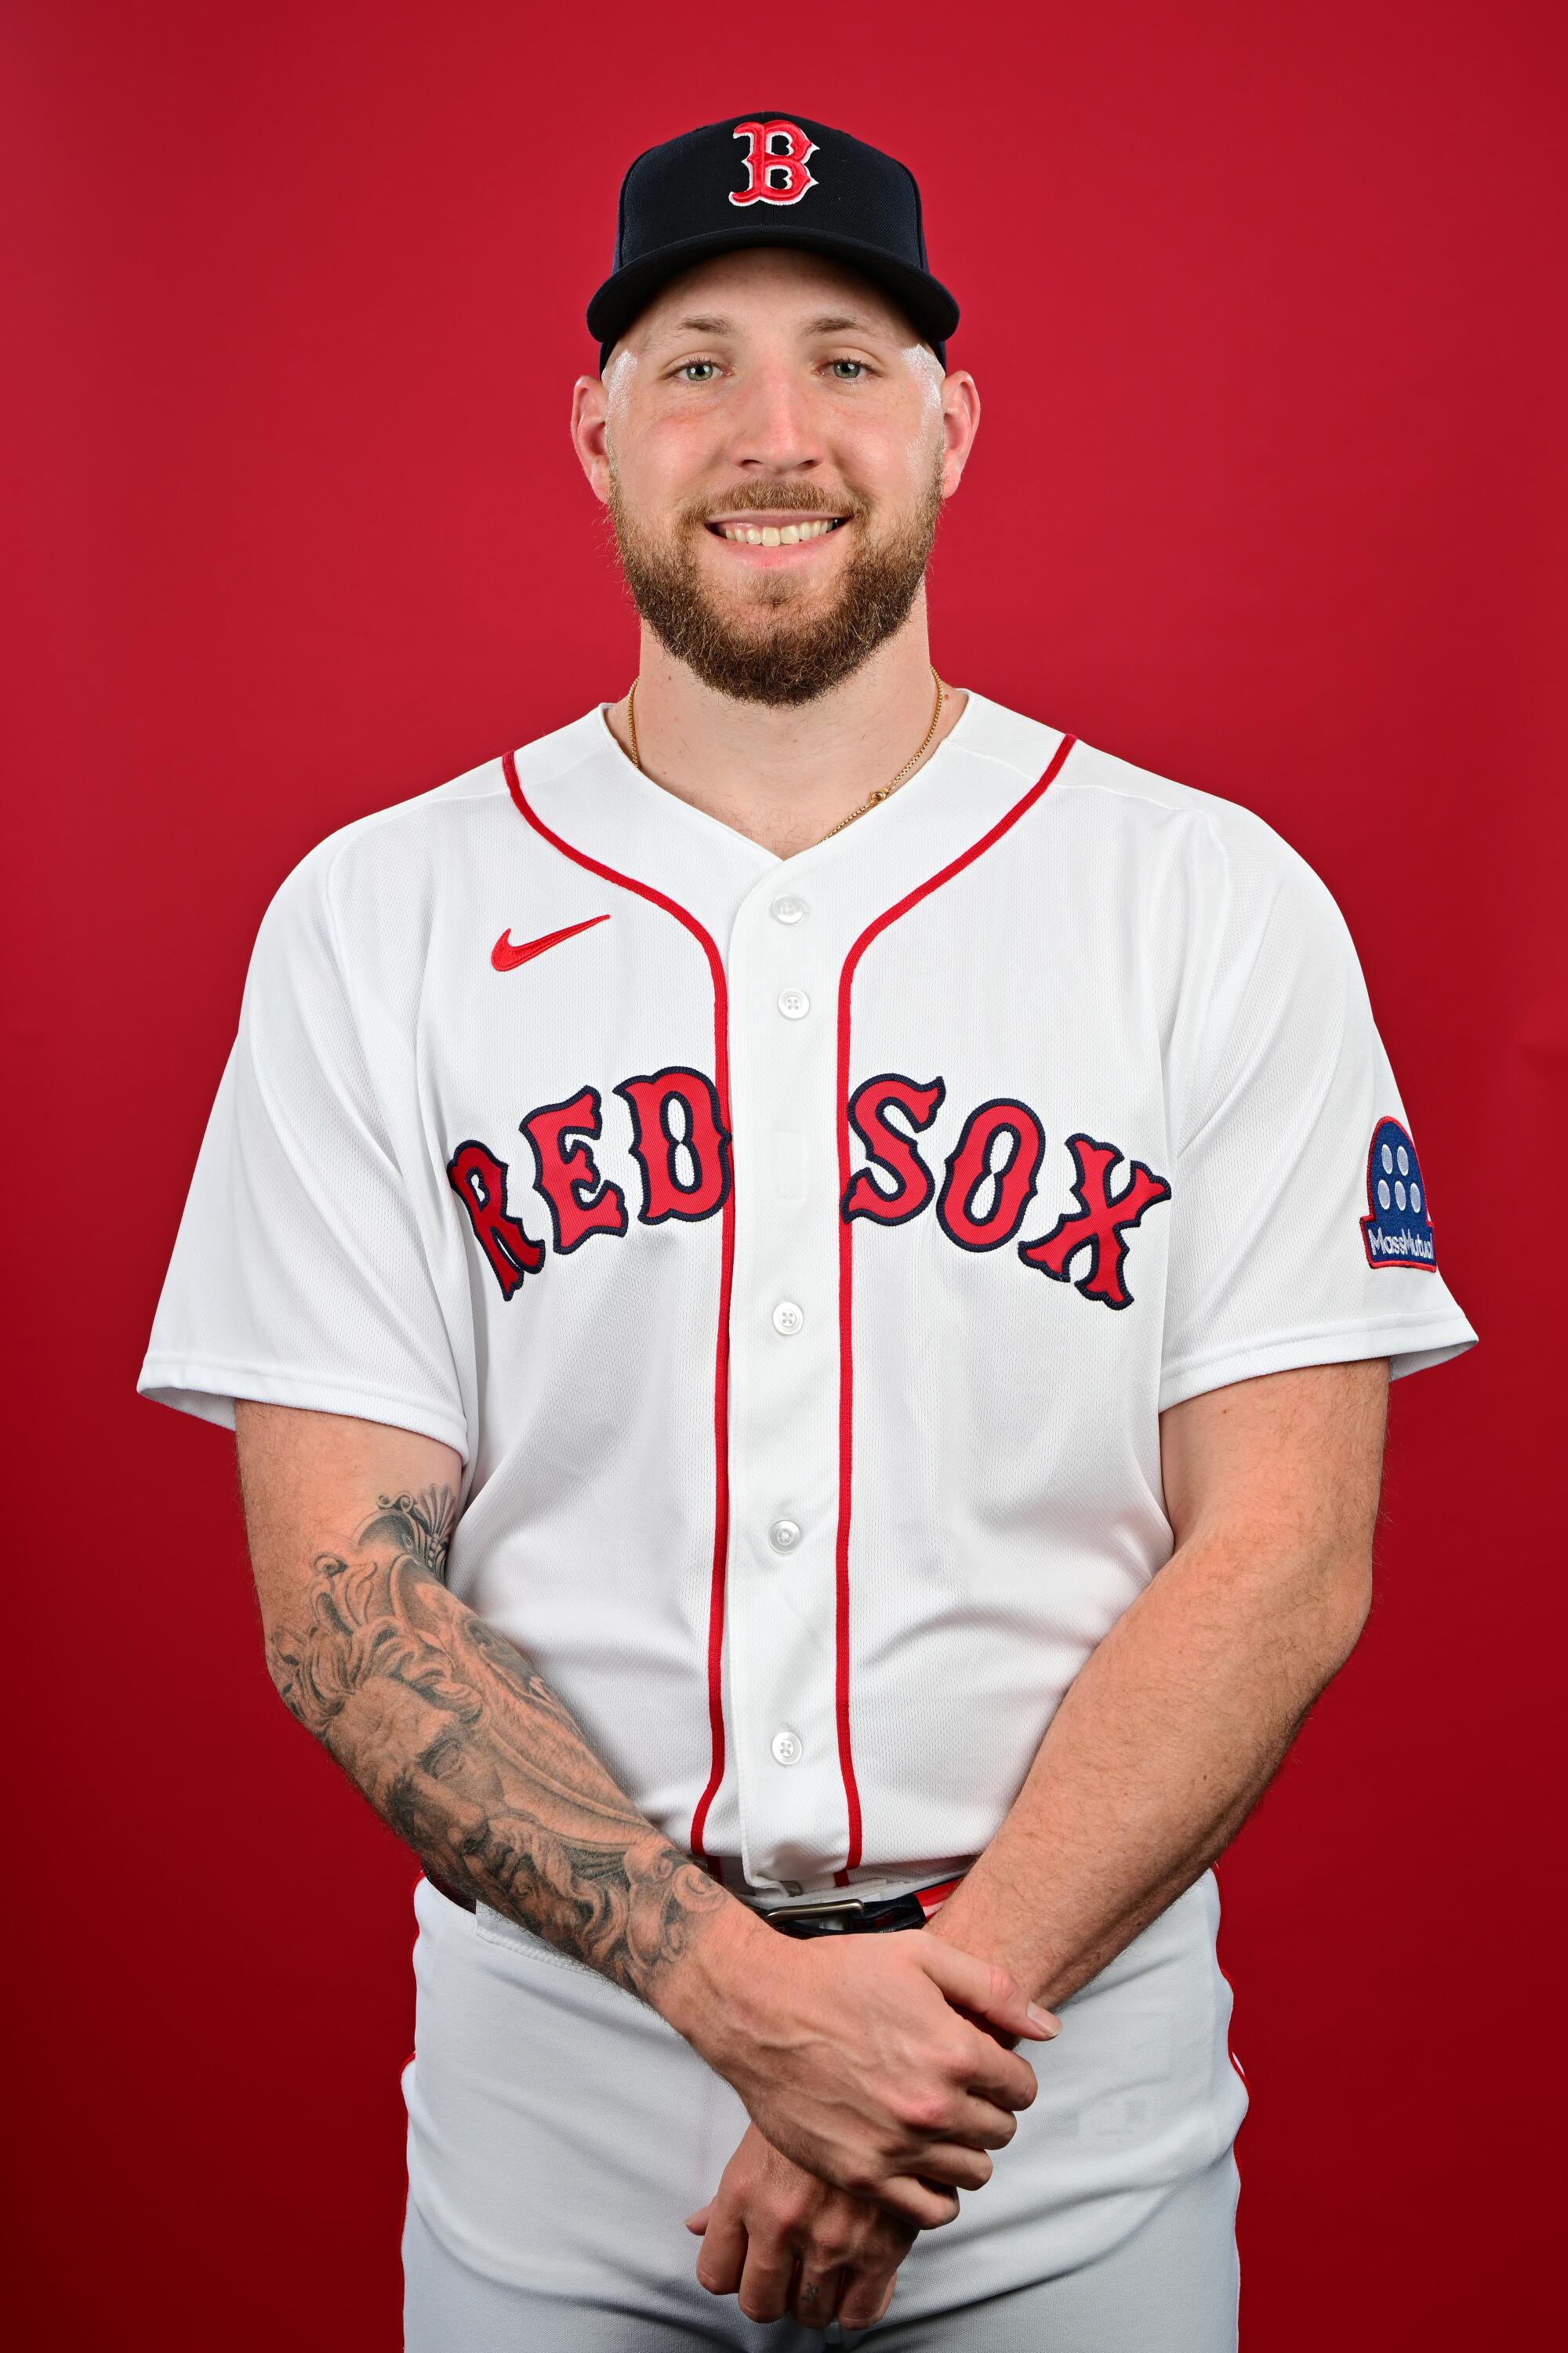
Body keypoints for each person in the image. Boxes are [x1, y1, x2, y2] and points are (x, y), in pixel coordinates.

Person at [139, 111, 1477, 2348]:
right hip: (552, 2126)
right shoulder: (374, 919)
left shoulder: (1206, 901)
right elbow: (339, 1583)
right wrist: (750, 2003)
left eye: (849, 361)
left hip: (1059, 2122)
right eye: (696, 365)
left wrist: (913, 2056)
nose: (777, 435)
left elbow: (1285, 1550)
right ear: (593, 431)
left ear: (952, 418)